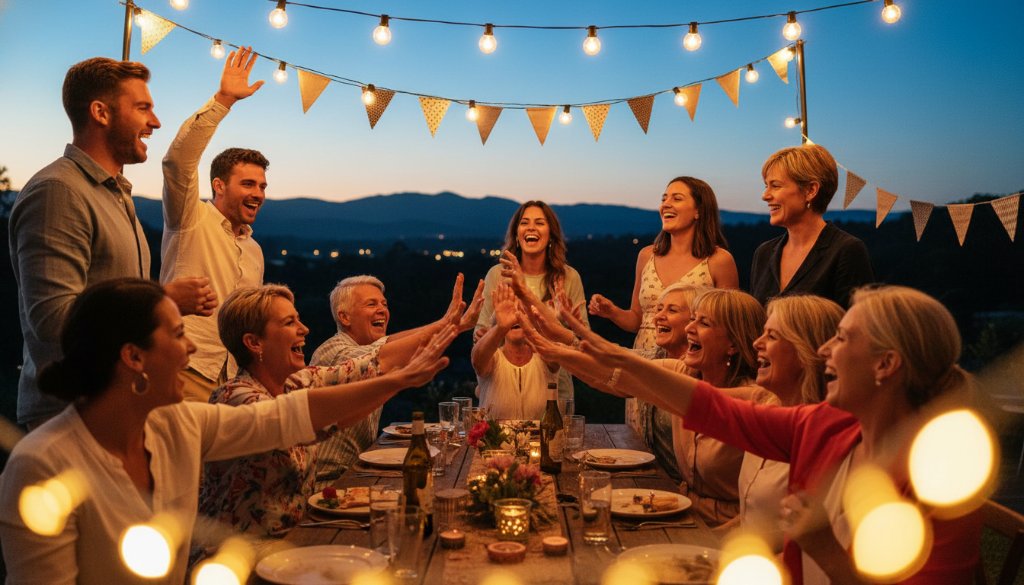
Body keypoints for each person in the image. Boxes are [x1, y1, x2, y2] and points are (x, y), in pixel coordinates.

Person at [0, 278, 452, 585]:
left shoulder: (175, 424)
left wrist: (400, 379)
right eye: (178, 334)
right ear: (134, 357)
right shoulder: (42, 464)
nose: (192, 347)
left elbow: (289, 415)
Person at [526, 286, 982, 584]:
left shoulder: (938, 480)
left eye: (842, 339)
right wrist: (619, 359)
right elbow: (715, 408)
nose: (825, 350)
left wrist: (824, 547)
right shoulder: (825, 426)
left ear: (886, 365)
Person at [9, 57, 215, 429]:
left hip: (118, 410)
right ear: (101, 113)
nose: (155, 122)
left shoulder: (115, 194)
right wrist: (163, 300)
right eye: (143, 108)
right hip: (70, 418)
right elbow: (54, 322)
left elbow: (106, 298)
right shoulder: (58, 192)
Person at [198, 284, 461, 537]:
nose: (304, 329)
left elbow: (376, 363)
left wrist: (448, 327)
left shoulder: (296, 381)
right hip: (235, 556)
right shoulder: (234, 398)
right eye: (289, 323)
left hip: (297, 536)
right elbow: (306, 416)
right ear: (254, 342)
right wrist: (399, 380)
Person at [161, 46, 270, 401]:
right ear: (219, 186)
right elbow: (178, 162)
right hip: (185, 370)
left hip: (236, 382)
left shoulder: (254, 251)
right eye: (249, 184)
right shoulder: (190, 218)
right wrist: (224, 100)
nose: (259, 193)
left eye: (263, 186)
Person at [588, 177, 738, 436]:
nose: (665, 204)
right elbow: (637, 320)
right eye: (664, 198)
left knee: (681, 437)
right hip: (643, 362)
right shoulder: (647, 255)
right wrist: (611, 311)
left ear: (699, 211)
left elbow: (731, 327)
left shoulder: (718, 260)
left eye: (676, 198)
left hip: (689, 365)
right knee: (641, 439)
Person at [310, 273, 483, 489]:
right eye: (371, 304)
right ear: (344, 317)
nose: (382, 309)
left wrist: (453, 325)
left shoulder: (366, 347)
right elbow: (383, 355)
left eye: (384, 303)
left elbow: (388, 344)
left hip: (357, 474)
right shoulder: (334, 352)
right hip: (328, 484)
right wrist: (449, 325)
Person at [730, 295, 844, 551]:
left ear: (805, 351)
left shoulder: (827, 437)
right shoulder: (766, 408)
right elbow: (753, 515)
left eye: (771, 336)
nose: (756, 342)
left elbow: (807, 541)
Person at [667, 288, 765, 526]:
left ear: (732, 344)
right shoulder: (686, 374)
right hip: (682, 515)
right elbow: (625, 370)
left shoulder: (755, 402)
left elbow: (763, 512)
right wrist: (570, 340)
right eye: (692, 319)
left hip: (729, 531)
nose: (689, 329)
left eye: (704, 323)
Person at [476, 200, 588, 401]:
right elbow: (480, 335)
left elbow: (583, 343)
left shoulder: (569, 278)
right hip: (503, 390)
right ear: (517, 235)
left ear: (551, 234)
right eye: (525, 222)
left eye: (539, 222)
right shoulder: (498, 275)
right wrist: (493, 330)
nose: (531, 227)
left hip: (555, 391)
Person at [750, 144, 874, 308]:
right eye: (766, 185)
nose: (765, 195)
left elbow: (858, 326)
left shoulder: (846, 250)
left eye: (775, 185)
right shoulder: (764, 253)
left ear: (811, 190)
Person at [472, 284, 558, 419]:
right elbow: (477, 362)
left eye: (521, 312)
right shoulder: (493, 357)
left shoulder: (544, 356)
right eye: (509, 313)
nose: (515, 317)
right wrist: (501, 327)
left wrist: (533, 330)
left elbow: (556, 356)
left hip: (542, 439)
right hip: (495, 440)